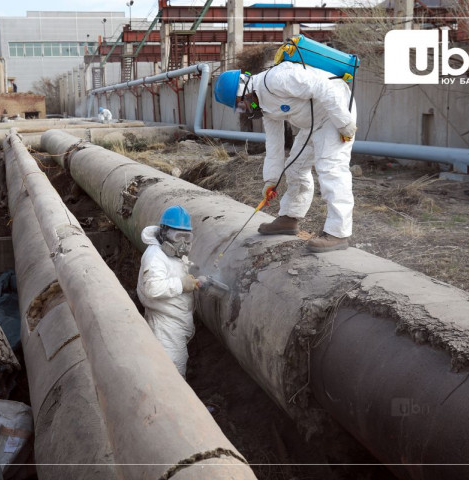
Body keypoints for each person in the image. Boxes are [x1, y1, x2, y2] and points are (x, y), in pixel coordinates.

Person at [214, 64, 357, 253]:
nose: (245, 109)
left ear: (245, 89)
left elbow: (324, 86)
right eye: (240, 109)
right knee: (295, 168)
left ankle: (338, 233)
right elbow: (274, 145)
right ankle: (289, 218)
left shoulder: (277, 79)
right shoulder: (266, 108)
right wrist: (271, 181)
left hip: (336, 112)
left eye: (241, 104)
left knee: (331, 168)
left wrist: (344, 122)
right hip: (313, 123)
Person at [136, 205, 201, 378]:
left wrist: (194, 281)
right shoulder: (155, 256)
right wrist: (181, 284)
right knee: (171, 375)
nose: (183, 243)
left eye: (187, 237)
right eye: (178, 236)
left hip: (177, 322)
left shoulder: (173, 255)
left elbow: (174, 275)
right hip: (165, 325)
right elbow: (153, 287)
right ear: (164, 233)